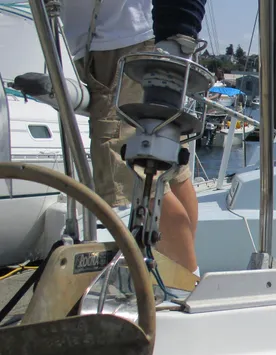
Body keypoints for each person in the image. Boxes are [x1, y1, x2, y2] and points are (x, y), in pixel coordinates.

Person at [62, 0, 207, 275]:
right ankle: (186, 275)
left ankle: (185, 283)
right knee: (169, 171)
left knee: (140, 176)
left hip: (114, 44)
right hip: (138, 37)